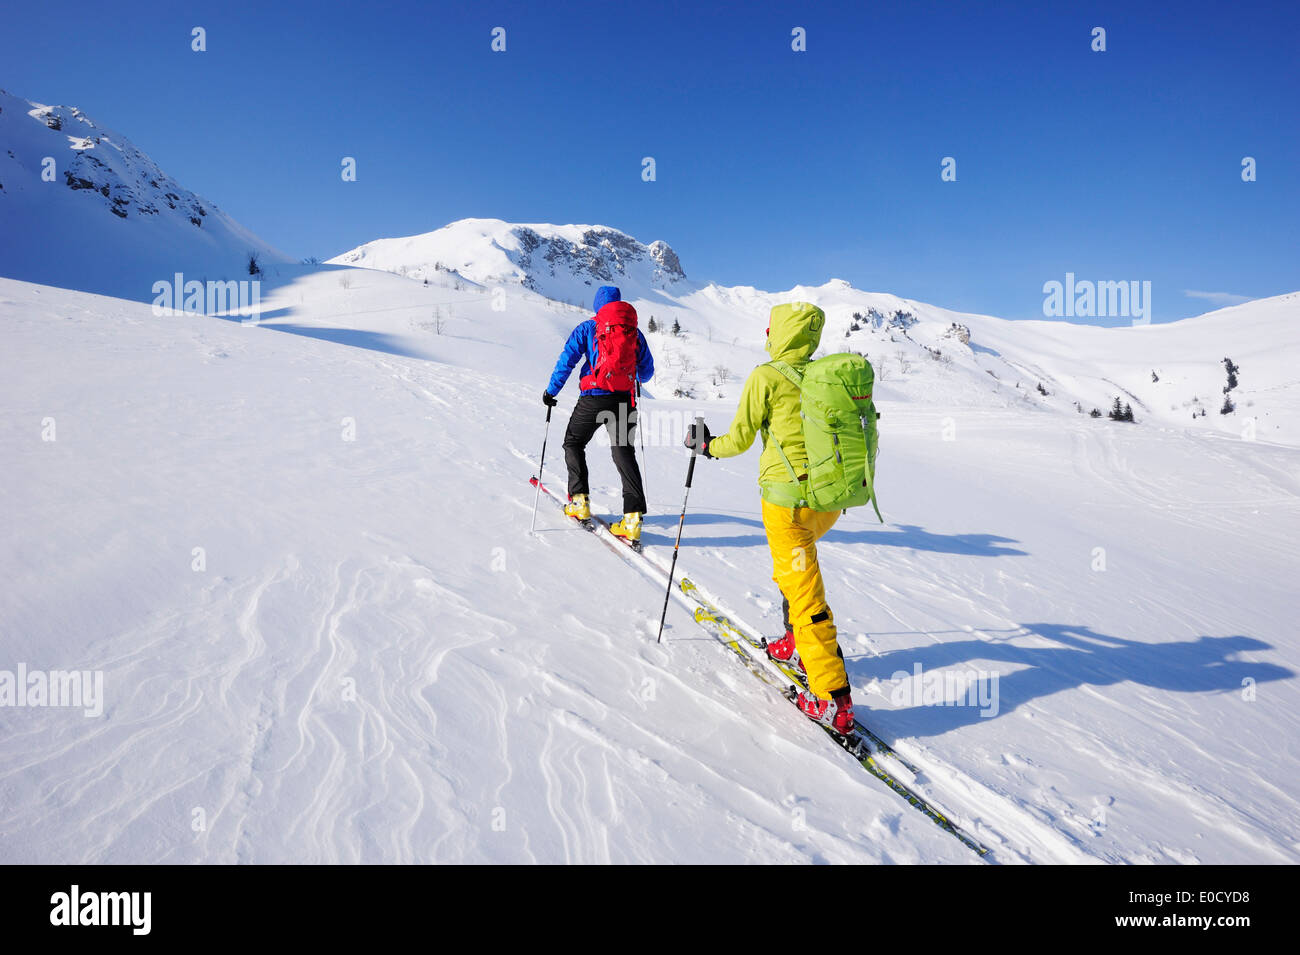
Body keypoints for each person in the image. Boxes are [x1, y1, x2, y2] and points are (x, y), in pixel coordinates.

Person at [683, 302, 856, 733]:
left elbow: (738, 440)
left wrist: (706, 447)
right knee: (790, 573)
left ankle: (833, 698)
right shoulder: (824, 377)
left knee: (805, 593)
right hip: (828, 503)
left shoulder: (766, 376)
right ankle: (795, 642)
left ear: (779, 332)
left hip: (787, 503)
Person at [543, 286, 655, 543]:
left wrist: (551, 391)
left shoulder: (587, 328)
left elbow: (567, 361)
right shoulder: (633, 332)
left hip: (593, 398)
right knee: (624, 452)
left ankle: (580, 501)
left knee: (573, 442)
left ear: (598, 306)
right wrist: (630, 376)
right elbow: (647, 372)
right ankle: (633, 518)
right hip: (624, 399)